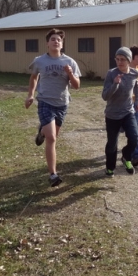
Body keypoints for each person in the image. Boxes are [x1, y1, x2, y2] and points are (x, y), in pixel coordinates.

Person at [25, 28, 81, 187]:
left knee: (51, 135)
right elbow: (34, 77)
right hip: (45, 102)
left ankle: (42, 131)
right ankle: (53, 174)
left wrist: (70, 74)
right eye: (53, 39)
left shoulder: (70, 62)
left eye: (59, 40)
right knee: (52, 138)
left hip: (62, 104)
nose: (56, 41)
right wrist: (30, 95)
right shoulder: (40, 61)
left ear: (62, 44)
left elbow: (76, 86)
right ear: (47, 43)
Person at [101, 47, 138, 176]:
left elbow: (137, 87)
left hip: (128, 112)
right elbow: (105, 96)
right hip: (112, 114)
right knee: (112, 144)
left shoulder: (134, 73)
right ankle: (110, 168)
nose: (119, 62)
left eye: (122, 59)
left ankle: (126, 156)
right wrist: (115, 84)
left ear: (129, 60)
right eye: (117, 59)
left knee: (134, 138)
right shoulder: (111, 73)